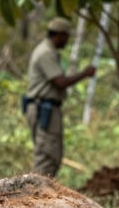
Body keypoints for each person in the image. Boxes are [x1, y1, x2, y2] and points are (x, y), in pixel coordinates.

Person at [23, 17, 96, 177]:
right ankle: (36, 190)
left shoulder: (48, 51)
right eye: (66, 36)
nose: (67, 40)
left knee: (52, 156)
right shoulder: (45, 53)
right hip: (44, 109)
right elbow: (60, 82)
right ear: (59, 35)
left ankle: (40, 189)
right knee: (46, 157)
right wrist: (84, 73)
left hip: (47, 109)